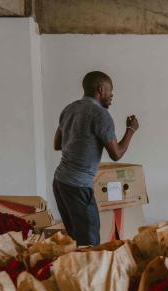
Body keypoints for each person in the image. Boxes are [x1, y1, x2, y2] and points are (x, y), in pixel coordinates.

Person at [53, 71, 139, 246]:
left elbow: (57, 144)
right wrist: (131, 129)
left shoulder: (70, 108)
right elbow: (116, 154)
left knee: (75, 240)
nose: (112, 95)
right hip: (79, 186)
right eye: (110, 90)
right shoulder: (101, 115)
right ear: (101, 89)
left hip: (60, 182)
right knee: (90, 245)